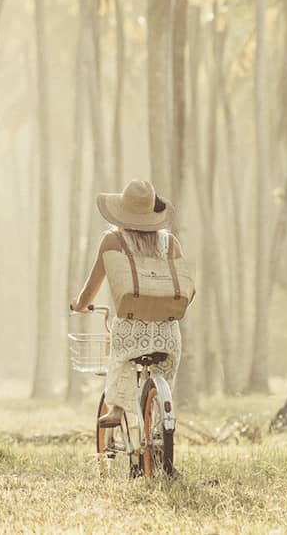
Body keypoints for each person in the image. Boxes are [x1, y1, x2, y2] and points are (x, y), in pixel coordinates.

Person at [70, 179, 183, 430]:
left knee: (119, 360)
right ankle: (158, 422)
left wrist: (79, 304)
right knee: (160, 377)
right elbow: (185, 285)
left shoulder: (112, 242)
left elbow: (91, 288)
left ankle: (117, 410)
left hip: (130, 331)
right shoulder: (171, 243)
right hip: (169, 334)